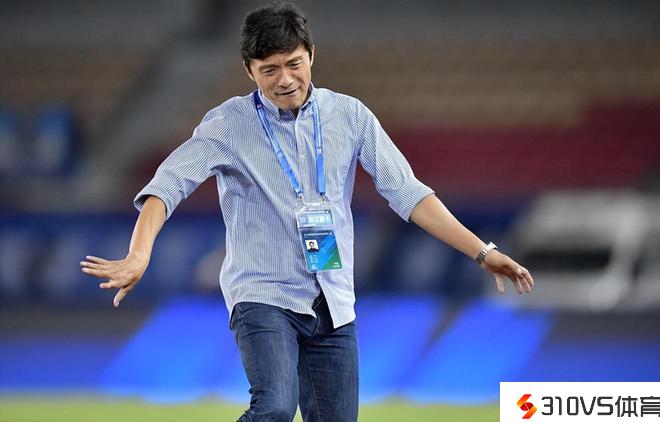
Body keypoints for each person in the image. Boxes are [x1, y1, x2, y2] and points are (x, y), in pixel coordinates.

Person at [80, 2, 534, 421]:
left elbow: (408, 193)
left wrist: (482, 252)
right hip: (262, 296)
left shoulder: (350, 116)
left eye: (294, 63)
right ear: (249, 70)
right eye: (269, 69)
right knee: (275, 407)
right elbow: (166, 186)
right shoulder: (227, 125)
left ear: (311, 55)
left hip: (332, 302)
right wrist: (139, 252)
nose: (285, 79)